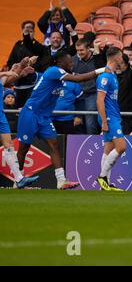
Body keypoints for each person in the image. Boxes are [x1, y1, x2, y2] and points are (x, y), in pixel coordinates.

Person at [16, 52, 105, 190]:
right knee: (23, 148)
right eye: (69, 62)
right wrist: (102, 69)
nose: (72, 64)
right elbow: (79, 78)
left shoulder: (59, 77)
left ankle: (61, 181)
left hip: (44, 117)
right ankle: (18, 180)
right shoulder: (54, 71)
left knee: (54, 145)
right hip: (30, 113)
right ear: (60, 63)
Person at [0, 59, 39, 189]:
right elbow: (9, 75)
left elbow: (11, 78)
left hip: (1, 115)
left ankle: (19, 179)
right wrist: (10, 71)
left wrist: (21, 67)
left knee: (9, 146)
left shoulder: (2, 80)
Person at [96, 47, 127, 191]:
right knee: (121, 147)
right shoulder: (105, 77)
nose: (122, 59)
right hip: (109, 118)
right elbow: (99, 101)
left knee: (107, 151)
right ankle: (102, 177)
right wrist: (104, 121)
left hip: (113, 116)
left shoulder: (112, 75)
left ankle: (105, 184)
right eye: (121, 57)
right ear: (115, 57)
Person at [73, 38, 104, 134]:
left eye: (81, 50)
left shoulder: (97, 58)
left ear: (88, 49)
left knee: (90, 124)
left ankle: (91, 145)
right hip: (77, 96)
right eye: (77, 50)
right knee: (76, 124)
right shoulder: (73, 60)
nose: (79, 53)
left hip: (92, 94)